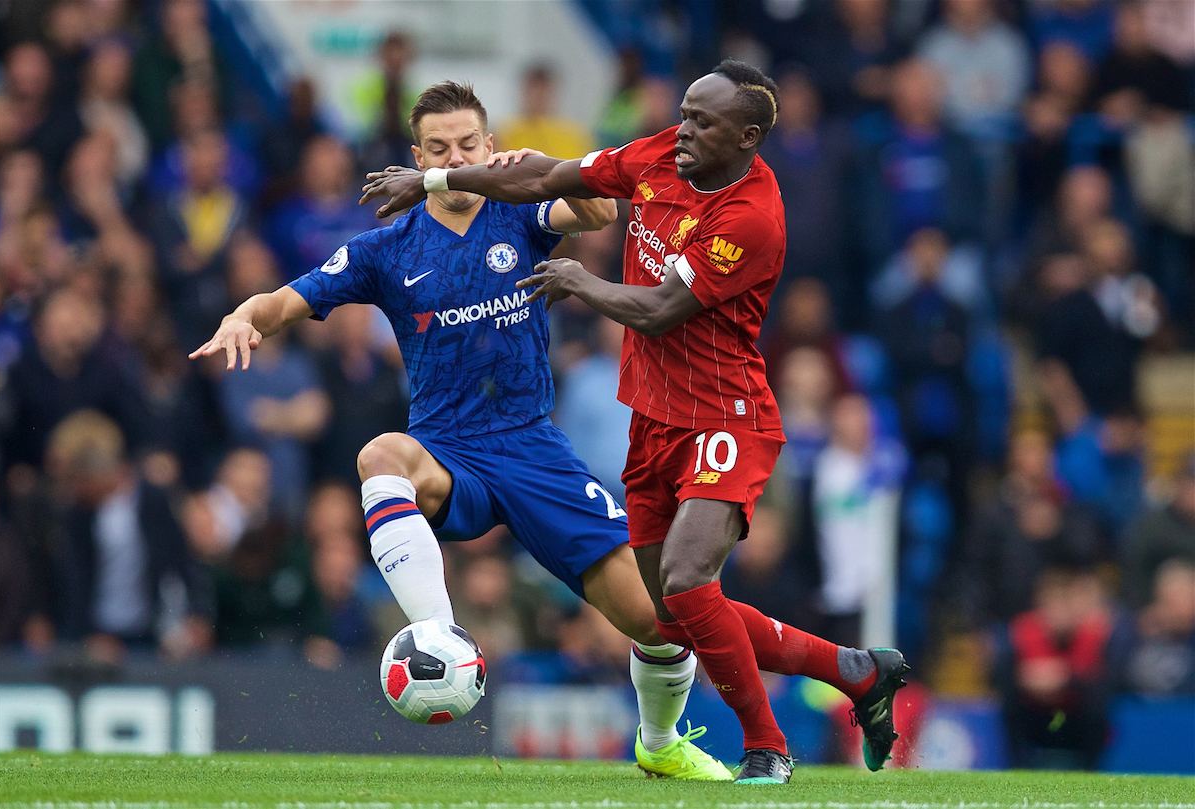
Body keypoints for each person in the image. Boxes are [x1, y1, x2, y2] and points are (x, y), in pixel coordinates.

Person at [359, 59, 908, 785]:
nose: (683, 130)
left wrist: (580, 280)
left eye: (702, 122)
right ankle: (858, 672)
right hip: (652, 418)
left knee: (685, 581)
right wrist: (433, 181)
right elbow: (547, 178)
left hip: (725, 415)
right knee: (672, 618)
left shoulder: (748, 216)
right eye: (683, 112)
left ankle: (767, 745)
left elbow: (656, 309)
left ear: (746, 137)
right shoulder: (659, 155)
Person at [190, 82, 729, 781]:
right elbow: (285, 300)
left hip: (535, 450)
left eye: (468, 145)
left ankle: (658, 741)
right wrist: (243, 316)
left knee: (663, 627)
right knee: (380, 454)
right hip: (448, 451)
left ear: (489, 147)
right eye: (439, 148)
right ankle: (438, 636)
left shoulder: (523, 212)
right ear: (418, 157)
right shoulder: (384, 251)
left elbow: (597, 209)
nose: (455, 157)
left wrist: (552, 167)